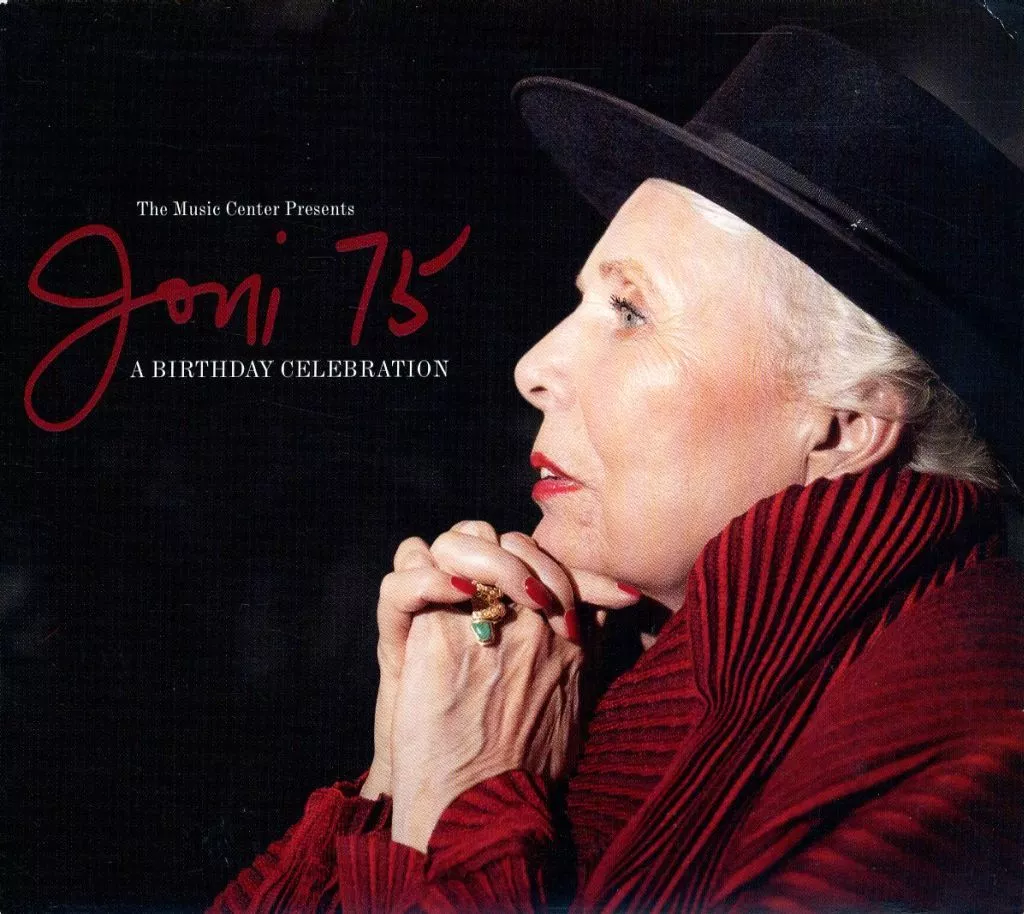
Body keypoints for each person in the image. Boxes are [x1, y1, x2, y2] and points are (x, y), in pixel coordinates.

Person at [211, 28, 1024, 913]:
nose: (533, 366)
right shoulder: (588, 667)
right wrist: (400, 771)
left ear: (846, 426)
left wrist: (465, 802)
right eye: (585, 304)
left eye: (630, 312)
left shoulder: (973, 758)